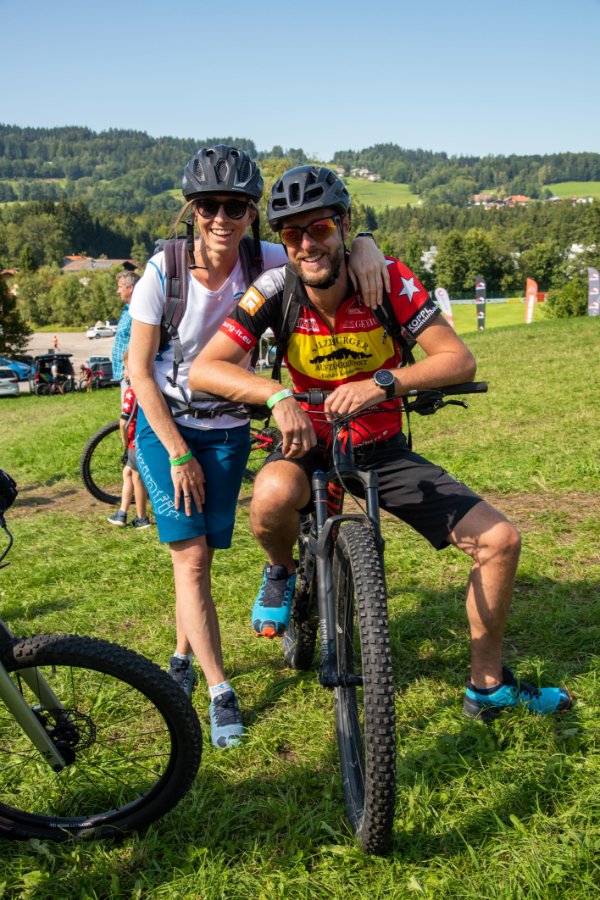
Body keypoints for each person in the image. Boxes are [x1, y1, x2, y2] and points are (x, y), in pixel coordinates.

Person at [190, 164, 572, 722]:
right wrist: (276, 395)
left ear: (345, 226)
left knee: (500, 541)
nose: (307, 244)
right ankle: (281, 570)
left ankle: (487, 689)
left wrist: (383, 383)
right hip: (308, 441)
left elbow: (458, 359)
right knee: (270, 495)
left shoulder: (388, 278)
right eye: (293, 234)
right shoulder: (274, 288)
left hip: (381, 444)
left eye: (320, 228)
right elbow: (206, 368)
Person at [127, 145, 389, 748]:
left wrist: (366, 242)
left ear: (251, 214)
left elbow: (319, 248)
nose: (222, 219)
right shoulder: (162, 273)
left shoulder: (265, 257)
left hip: (228, 425)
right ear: (192, 210)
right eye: (208, 206)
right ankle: (220, 691)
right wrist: (176, 452)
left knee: (199, 554)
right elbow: (139, 371)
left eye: (236, 207)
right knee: (192, 558)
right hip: (167, 425)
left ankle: (181, 655)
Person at [107, 351, 152, 530]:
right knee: (128, 473)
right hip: (144, 439)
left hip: (136, 441)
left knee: (137, 477)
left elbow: (123, 423)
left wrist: (125, 443)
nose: (124, 372)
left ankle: (141, 518)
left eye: (125, 368)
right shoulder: (151, 388)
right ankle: (122, 513)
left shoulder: (132, 393)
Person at [112, 272, 140, 394]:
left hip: (130, 373)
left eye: (120, 287)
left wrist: (128, 367)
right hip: (124, 373)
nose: (118, 291)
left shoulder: (138, 311)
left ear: (130, 288)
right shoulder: (127, 310)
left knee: (130, 405)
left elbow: (138, 341)